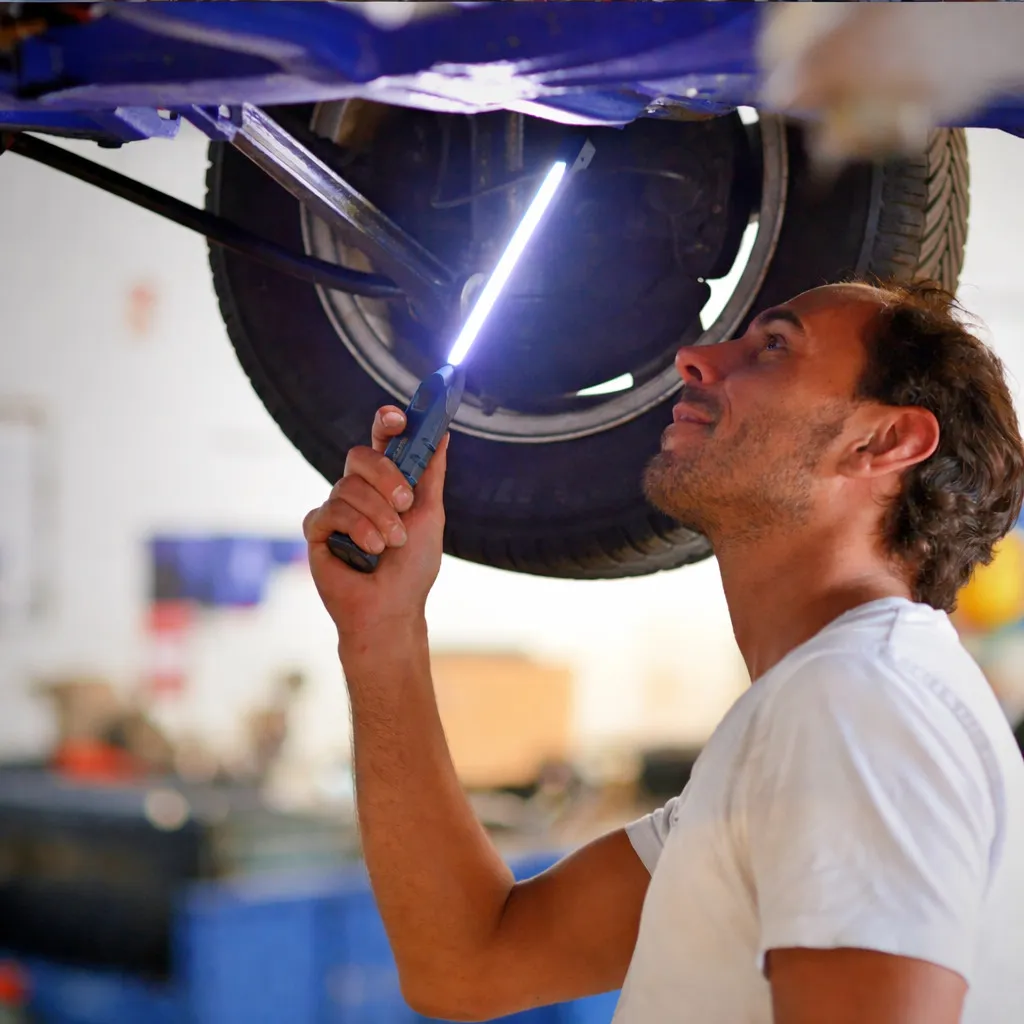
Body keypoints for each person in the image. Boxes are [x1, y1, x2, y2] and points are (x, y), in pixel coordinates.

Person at [303, 280, 1024, 1024]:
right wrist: (382, 632)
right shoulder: (829, 705)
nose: (694, 359)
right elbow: (468, 963)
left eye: (774, 347)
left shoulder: (857, 701)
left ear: (883, 442)